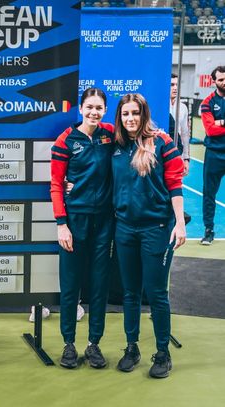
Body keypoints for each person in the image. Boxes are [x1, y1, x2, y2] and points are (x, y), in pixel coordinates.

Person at [112, 94, 186, 379]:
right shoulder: (115, 145)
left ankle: (163, 353)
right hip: (125, 229)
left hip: (156, 229)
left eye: (135, 113)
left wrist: (180, 223)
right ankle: (132, 348)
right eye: (125, 114)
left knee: (156, 294)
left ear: (144, 114)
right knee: (130, 293)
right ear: (119, 117)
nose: (130, 118)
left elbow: (175, 185)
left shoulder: (162, 143)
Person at [50, 88, 115, 369]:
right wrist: (61, 224)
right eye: (89, 107)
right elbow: (56, 185)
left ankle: (93, 344)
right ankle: (68, 344)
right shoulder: (65, 140)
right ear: (80, 108)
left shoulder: (110, 134)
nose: (94, 112)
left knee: (99, 285)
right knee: (70, 285)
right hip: (74, 222)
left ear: (105, 110)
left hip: (104, 222)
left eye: (99, 108)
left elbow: (140, 136)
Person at [200, 65, 225, 245]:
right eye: (221, 80)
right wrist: (217, 124)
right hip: (214, 154)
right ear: (214, 81)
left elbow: (216, 126)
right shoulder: (207, 102)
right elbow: (210, 130)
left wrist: (219, 122)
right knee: (209, 194)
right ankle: (208, 230)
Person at [169, 73, 190, 175]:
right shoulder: (158, 106)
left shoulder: (183, 108)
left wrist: (186, 158)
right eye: (172, 85)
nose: (175, 88)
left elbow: (185, 134)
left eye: (177, 85)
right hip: (162, 154)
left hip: (177, 154)